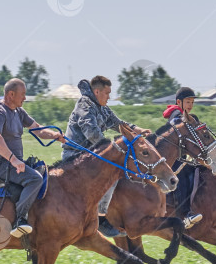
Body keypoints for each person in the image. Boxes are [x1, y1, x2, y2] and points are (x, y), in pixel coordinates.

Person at [62, 76, 152, 238]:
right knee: (111, 173)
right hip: (74, 155)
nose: (109, 97)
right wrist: (111, 148)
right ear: (97, 92)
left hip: (91, 155)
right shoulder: (85, 105)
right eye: (107, 93)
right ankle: (101, 219)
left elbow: (119, 124)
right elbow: (92, 133)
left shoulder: (102, 107)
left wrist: (138, 130)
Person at [0, 78, 65, 237]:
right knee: (35, 179)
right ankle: (19, 220)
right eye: (23, 94)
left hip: (12, 163)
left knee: (44, 172)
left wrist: (54, 135)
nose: (25, 98)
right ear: (11, 94)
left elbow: (37, 129)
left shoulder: (18, 111)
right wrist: (13, 159)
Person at [161, 87, 203, 228]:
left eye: (192, 102)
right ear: (179, 102)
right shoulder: (177, 114)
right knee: (184, 177)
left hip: (178, 156)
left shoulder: (181, 115)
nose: (190, 105)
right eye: (188, 102)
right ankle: (185, 214)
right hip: (172, 159)